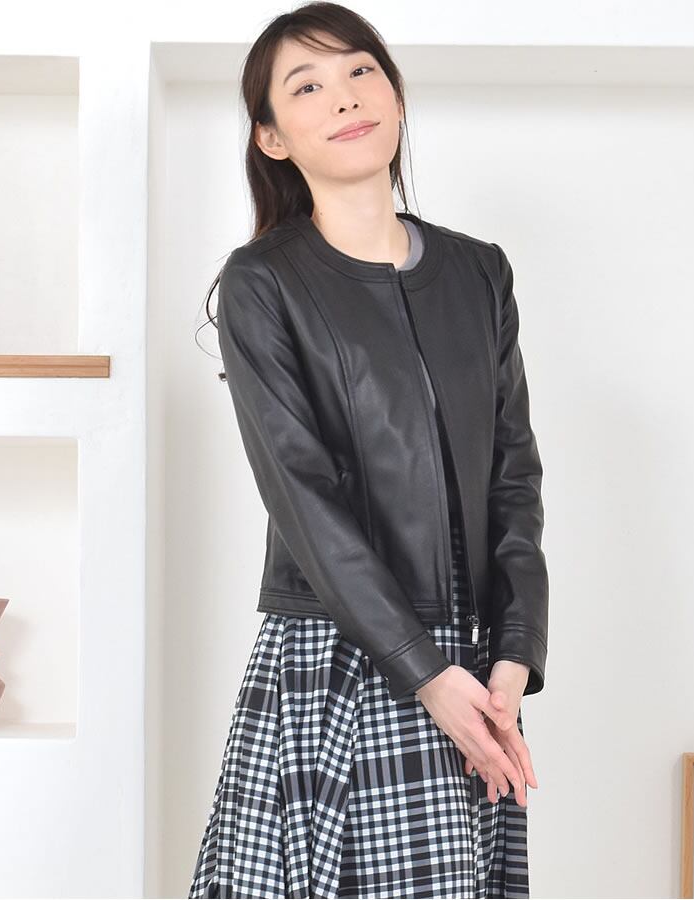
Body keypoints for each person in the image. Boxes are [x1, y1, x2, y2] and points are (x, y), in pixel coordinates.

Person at [189, 3, 547, 897]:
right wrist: (423, 672)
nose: (345, 97)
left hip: (472, 666)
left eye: (360, 71)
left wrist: (513, 652)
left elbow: (513, 474)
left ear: (394, 94)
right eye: (307, 86)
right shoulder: (262, 283)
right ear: (272, 138)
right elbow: (301, 497)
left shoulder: (480, 271)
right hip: (339, 654)